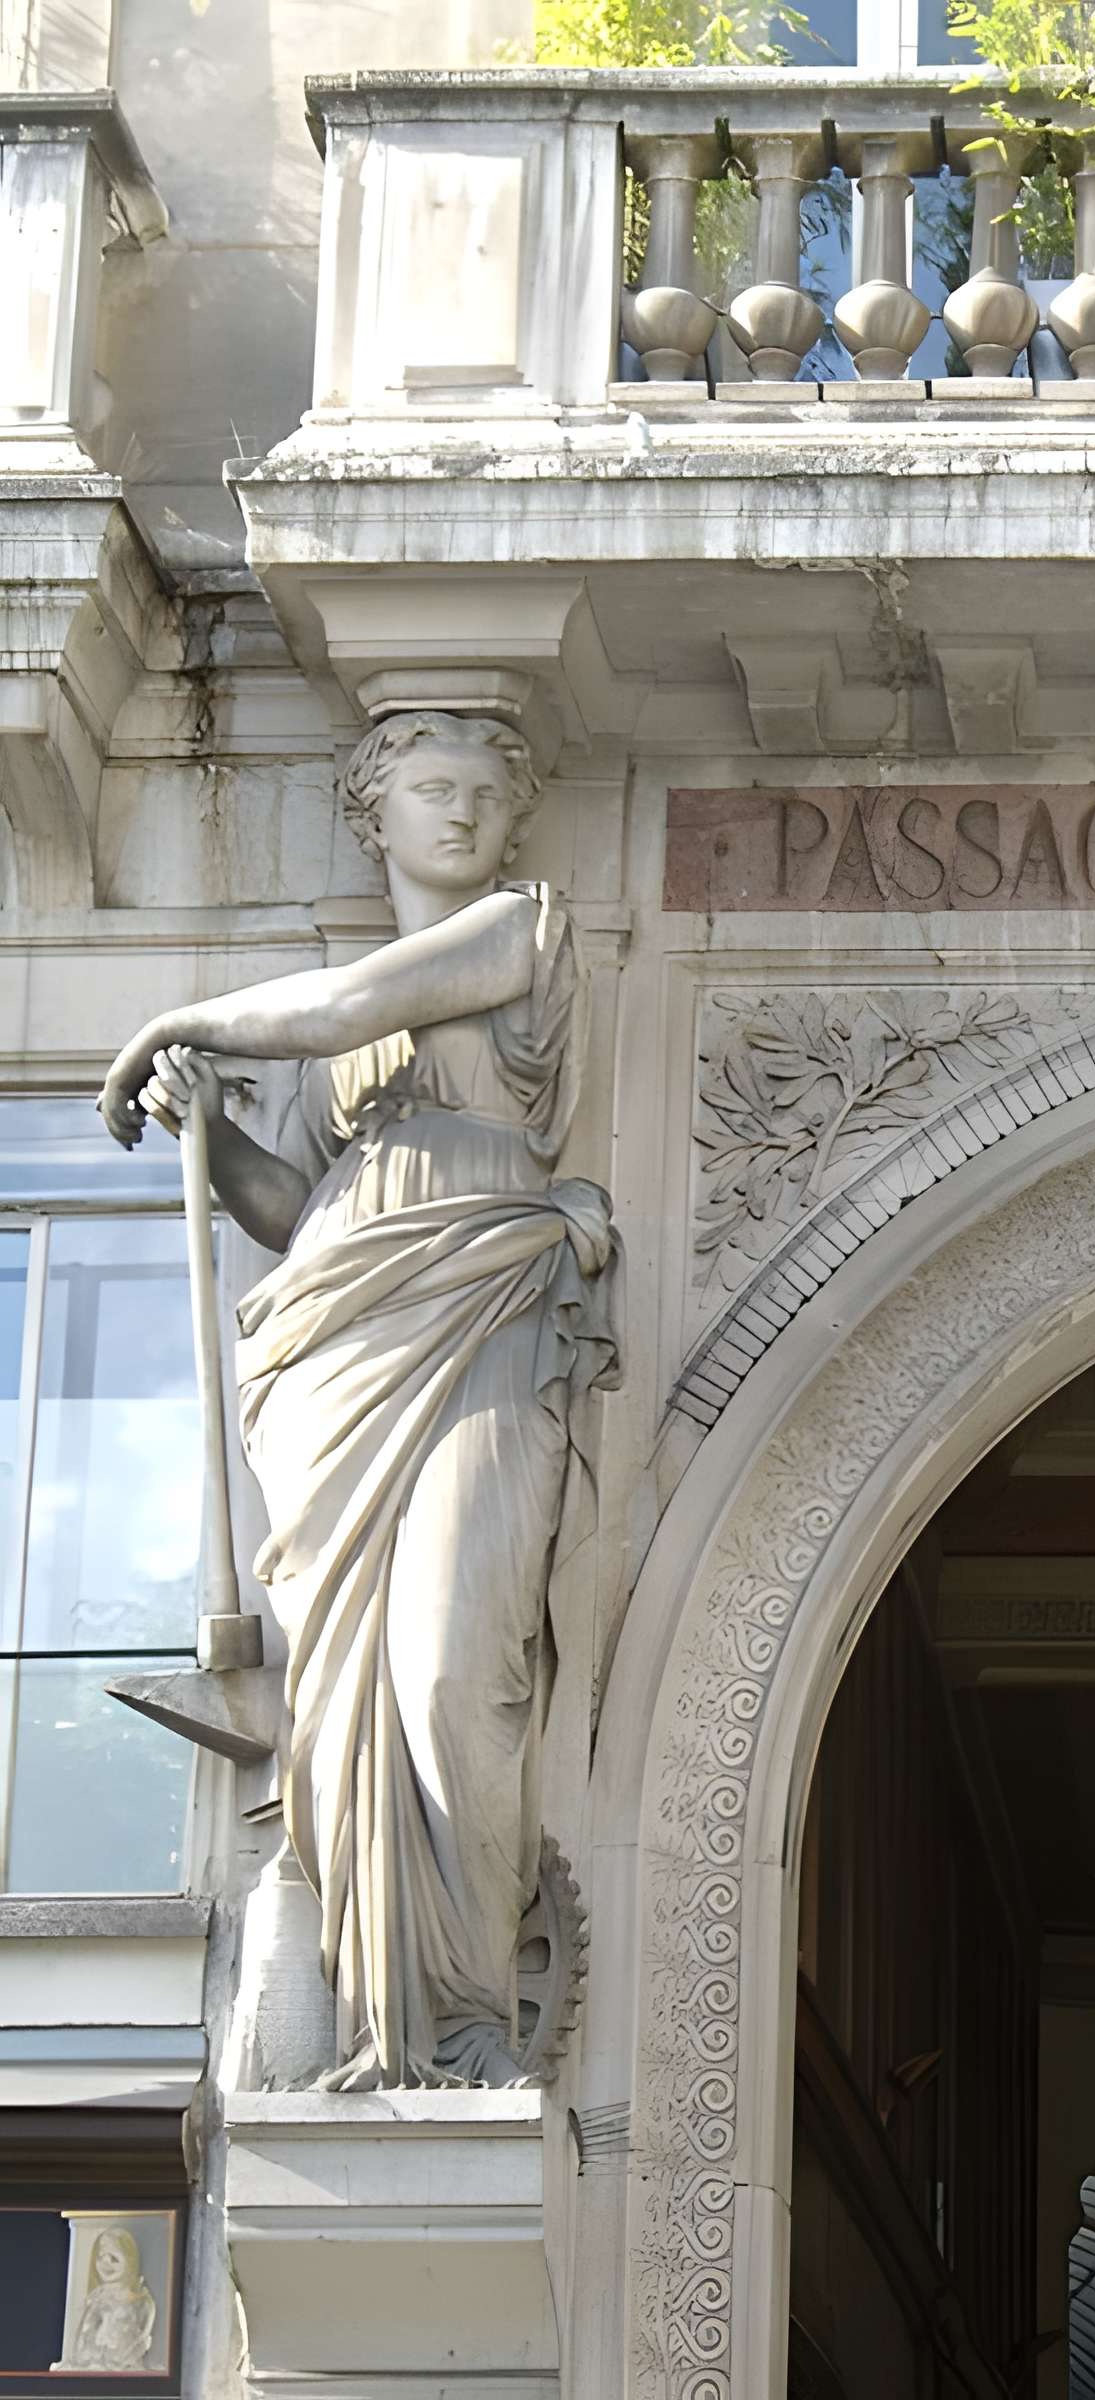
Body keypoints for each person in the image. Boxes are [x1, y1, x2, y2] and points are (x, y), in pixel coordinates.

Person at [98, 711, 616, 2089]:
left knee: (451, 1668)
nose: (460, 818)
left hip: (481, 1303)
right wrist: (204, 1128)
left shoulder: (518, 927)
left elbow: (343, 1006)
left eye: (484, 796)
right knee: (346, 1698)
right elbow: (289, 1206)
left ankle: (463, 2006)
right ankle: (391, 2027)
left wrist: (177, 1019)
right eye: (430, 793)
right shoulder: (343, 1043)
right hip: (336, 1342)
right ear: (374, 815)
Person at [62, 2224, 158, 2370]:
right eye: (101, 2257)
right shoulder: (95, 2299)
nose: (105, 2264)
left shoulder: (140, 2300)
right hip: (92, 2365)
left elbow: (142, 2338)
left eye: (114, 2259)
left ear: (130, 2261)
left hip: (123, 2368)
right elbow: (82, 2335)